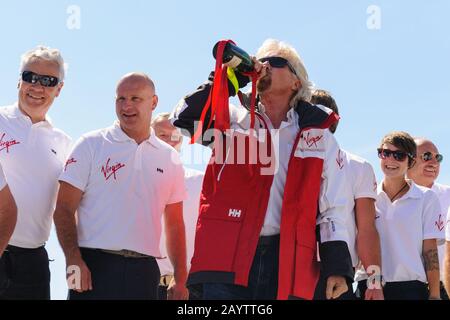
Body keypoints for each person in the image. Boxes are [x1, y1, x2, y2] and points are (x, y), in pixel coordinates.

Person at [171, 39, 354, 300]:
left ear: (296, 83)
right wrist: (225, 83)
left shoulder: (318, 134)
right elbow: (183, 120)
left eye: (276, 62)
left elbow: (332, 206)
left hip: (288, 261)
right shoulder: (232, 121)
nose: (265, 65)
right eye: (262, 60)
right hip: (227, 255)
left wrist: (337, 267)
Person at [54, 73, 189, 300]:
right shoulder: (91, 144)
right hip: (93, 266)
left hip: (144, 272)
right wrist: (73, 259)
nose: (126, 106)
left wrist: (181, 278)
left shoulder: (170, 158)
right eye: (121, 99)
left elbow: (175, 224)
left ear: (153, 102)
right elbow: (64, 207)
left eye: (135, 99)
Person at [0, 46, 72, 300]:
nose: (37, 87)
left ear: (59, 89)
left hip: (33, 264)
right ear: (19, 80)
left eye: (48, 81)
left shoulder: (64, 144)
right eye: (30, 77)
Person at [310, 90, 383, 300]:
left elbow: (367, 230)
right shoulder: (284, 158)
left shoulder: (359, 167)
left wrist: (374, 283)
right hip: (286, 267)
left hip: (338, 273)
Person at [358, 132, 443, 300]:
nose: (390, 160)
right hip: (369, 286)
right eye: (385, 153)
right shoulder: (366, 196)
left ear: (410, 161)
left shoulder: (427, 198)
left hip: (410, 289)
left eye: (399, 155)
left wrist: (434, 295)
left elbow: (430, 251)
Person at [151, 112, 204, 300]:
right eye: (162, 135)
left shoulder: (201, 182)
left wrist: (183, 278)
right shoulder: (133, 181)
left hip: (188, 288)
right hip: (140, 284)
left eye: (175, 136)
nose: (169, 141)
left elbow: (208, 237)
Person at [407, 138, 450, 299]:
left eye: (438, 158)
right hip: (404, 288)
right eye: (427, 156)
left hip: (445, 287)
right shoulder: (385, 198)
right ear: (408, 159)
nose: (434, 163)